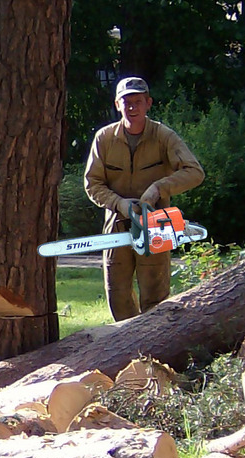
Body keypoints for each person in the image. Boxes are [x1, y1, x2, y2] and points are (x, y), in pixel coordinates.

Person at [84, 77, 205, 321]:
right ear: (117, 105)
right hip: (117, 222)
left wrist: (159, 188)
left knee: (155, 296)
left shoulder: (163, 136)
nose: (132, 107)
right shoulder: (104, 138)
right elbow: (92, 183)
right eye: (126, 102)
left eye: (137, 101)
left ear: (148, 103)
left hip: (156, 222)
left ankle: (155, 348)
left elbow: (195, 172)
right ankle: (123, 348)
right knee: (117, 293)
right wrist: (120, 204)